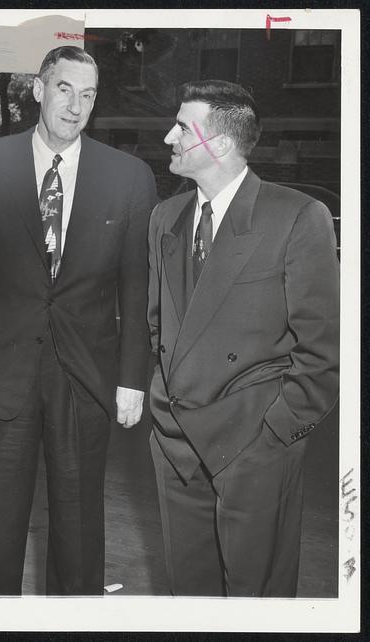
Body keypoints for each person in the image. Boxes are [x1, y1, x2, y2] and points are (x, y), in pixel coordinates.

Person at [0, 45, 158, 595]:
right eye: (65, 89)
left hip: (86, 375)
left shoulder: (130, 177)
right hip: (3, 370)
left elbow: (136, 290)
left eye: (88, 94)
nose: (76, 106)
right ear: (39, 89)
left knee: (80, 526)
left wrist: (131, 378)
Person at [147, 80, 340, 597]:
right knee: (191, 598)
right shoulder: (164, 218)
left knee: (258, 602)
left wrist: (274, 436)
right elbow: (158, 325)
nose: (169, 136)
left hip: (255, 445)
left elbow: (324, 351)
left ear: (222, 144)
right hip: (177, 444)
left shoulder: (298, 217)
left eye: (182, 127)